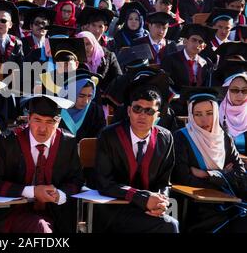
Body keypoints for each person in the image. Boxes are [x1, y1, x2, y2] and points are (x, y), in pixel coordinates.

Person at [0, 94, 84, 233]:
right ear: (28, 119)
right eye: (37, 120)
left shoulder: (67, 143)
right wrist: (32, 192)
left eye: (49, 122)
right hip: (11, 212)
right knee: (40, 228)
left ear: (58, 122)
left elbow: (76, 180)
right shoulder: (7, 142)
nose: (42, 128)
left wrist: (60, 194)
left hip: (56, 213)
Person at [94, 76, 179, 233]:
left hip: (149, 208)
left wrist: (160, 202)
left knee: (170, 221)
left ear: (158, 116)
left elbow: (164, 182)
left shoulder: (165, 138)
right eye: (137, 109)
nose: (142, 115)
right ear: (128, 110)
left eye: (149, 111)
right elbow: (104, 183)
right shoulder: (109, 136)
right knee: (169, 226)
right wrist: (141, 198)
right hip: (114, 208)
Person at [172, 87, 247, 232]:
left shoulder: (224, 137)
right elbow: (183, 177)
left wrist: (207, 174)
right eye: (198, 114)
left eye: (210, 113)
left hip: (229, 199)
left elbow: (240, 173)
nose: (204, 119)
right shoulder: (181, 137)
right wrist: (223, 175)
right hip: (198, 205)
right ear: (191, 115)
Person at [59, 68, 106, 141]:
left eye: (89, 96)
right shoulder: (56, 110)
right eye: (81, 96)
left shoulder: (95, 111)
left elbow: (100, 138)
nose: (86, 101)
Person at [217, 60, 247, 154]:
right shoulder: (214, 112)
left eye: (245, 91)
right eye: (234, 90)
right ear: (226, 90)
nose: (240, 95)